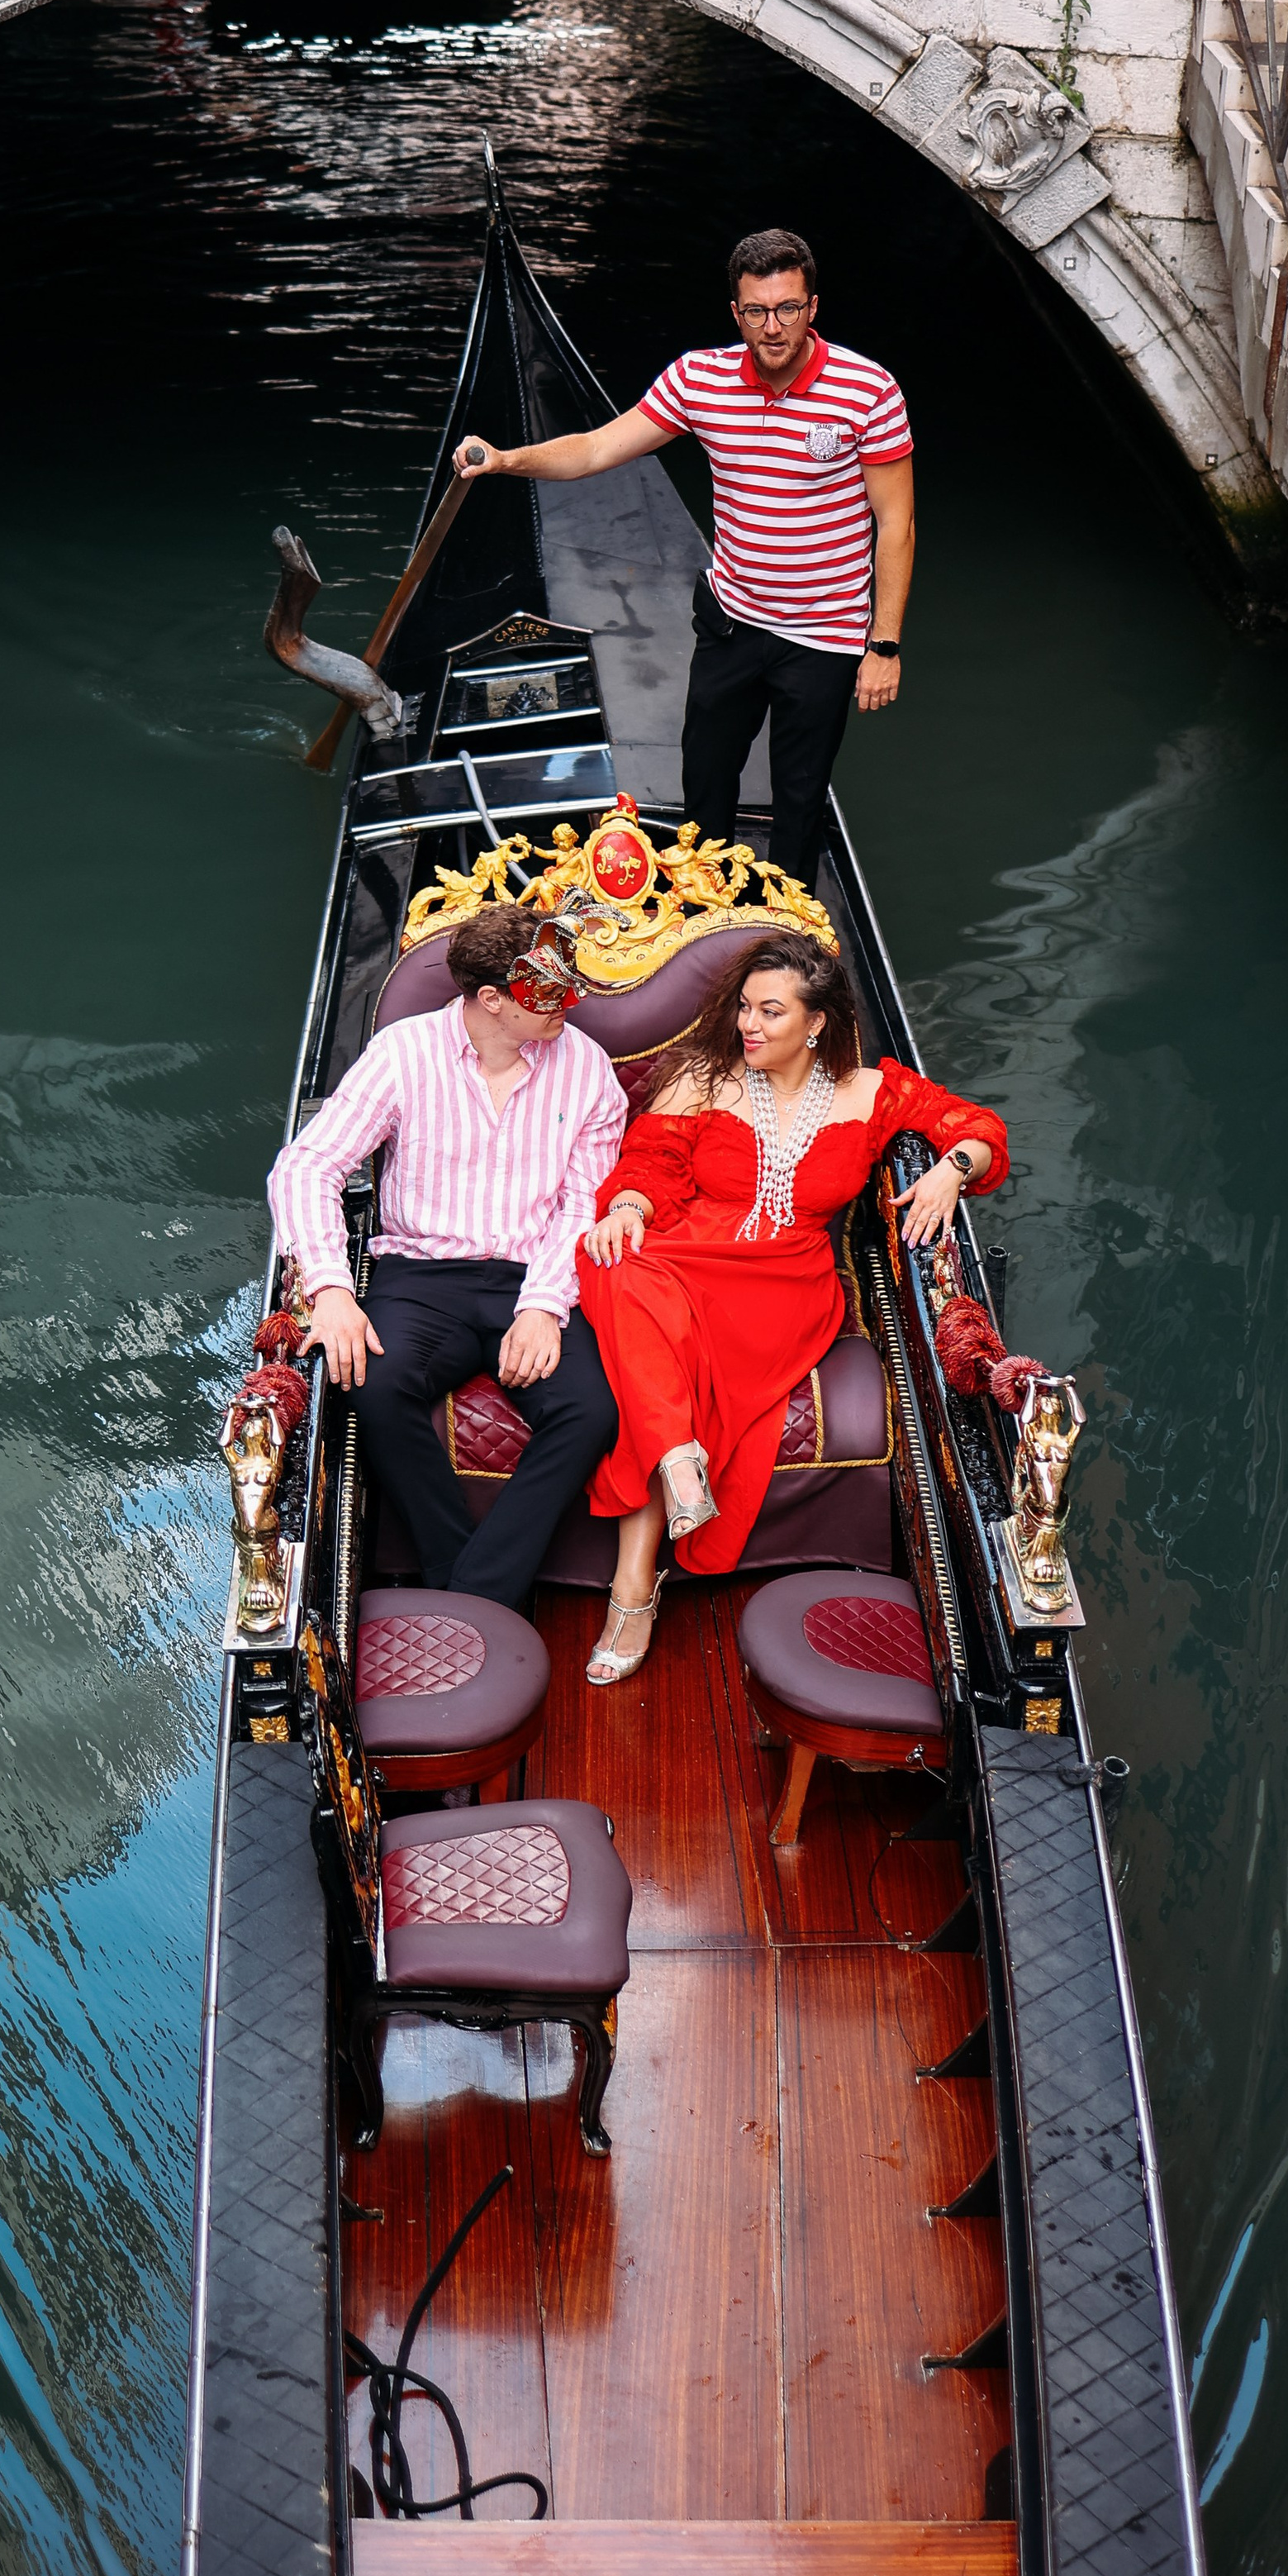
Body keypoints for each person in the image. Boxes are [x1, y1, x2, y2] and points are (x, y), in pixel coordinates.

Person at [573, 931, 1006, 1685]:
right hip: (685, 1255)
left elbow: (981, 1131)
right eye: (745, 1007)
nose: (749, 1025)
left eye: (771, 1012)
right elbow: (650, 1162)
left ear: (816, 1024)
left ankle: (635, 1588)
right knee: (607, 1259)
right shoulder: (702, 1078)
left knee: (657, 1357)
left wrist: (949, 1172)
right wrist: (632, 1204)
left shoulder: (874, 1093)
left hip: (788, 1284)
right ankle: (677, 1471)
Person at [450, 226, 913, 889]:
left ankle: (782, 938)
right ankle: (702, 911)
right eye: (756, 312)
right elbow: (596, 448)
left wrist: (885, 645)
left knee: (801, 799)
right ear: (736, 313)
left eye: (787, 309)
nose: (772, 327)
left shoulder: (867, 390)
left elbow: (896, 523)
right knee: (704, 785)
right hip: (732, 620)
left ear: (812, 307)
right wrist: (504, 460)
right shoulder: (699, 378)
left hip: (825, 634)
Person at [269, 905, 627, 1614]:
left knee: (590, 1412)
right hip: (421, 1278)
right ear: (492, 998)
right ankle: (474, 1587)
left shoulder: (585, 1067)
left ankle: (471, 1599)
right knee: (370, 1383)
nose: (570, 1005)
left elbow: (581, 1205)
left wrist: (544, 1308)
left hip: (530, 1277)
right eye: (549, 993)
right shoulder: (405, 1053)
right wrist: (333, 1289)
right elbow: (306, 1167)